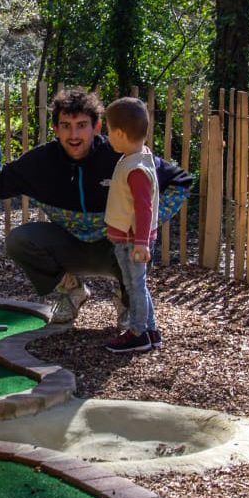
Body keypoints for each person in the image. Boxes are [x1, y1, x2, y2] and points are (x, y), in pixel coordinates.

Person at [0, 87, 192, 331]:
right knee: (19, 240)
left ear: (97, 127)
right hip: (70, 247)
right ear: (55, 129)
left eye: (81, 125)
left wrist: (143, 223)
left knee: (140, 244)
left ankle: (127, 300)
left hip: (117, 247)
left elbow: (180, 182)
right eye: (66, 126)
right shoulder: (41, 162)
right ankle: (71, 290)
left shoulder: (121, 156)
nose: (74, 134)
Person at [102, 97, 160, 354]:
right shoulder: (136, 157)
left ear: (120, 133)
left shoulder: (136, 168)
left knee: (134, 286)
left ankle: (137, 333)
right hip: (127, 239)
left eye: (109, 130)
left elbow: (143, 208)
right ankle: (150, 330)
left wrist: (141, 243)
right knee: (138, 284)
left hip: (131, 241)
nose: (107, 135)